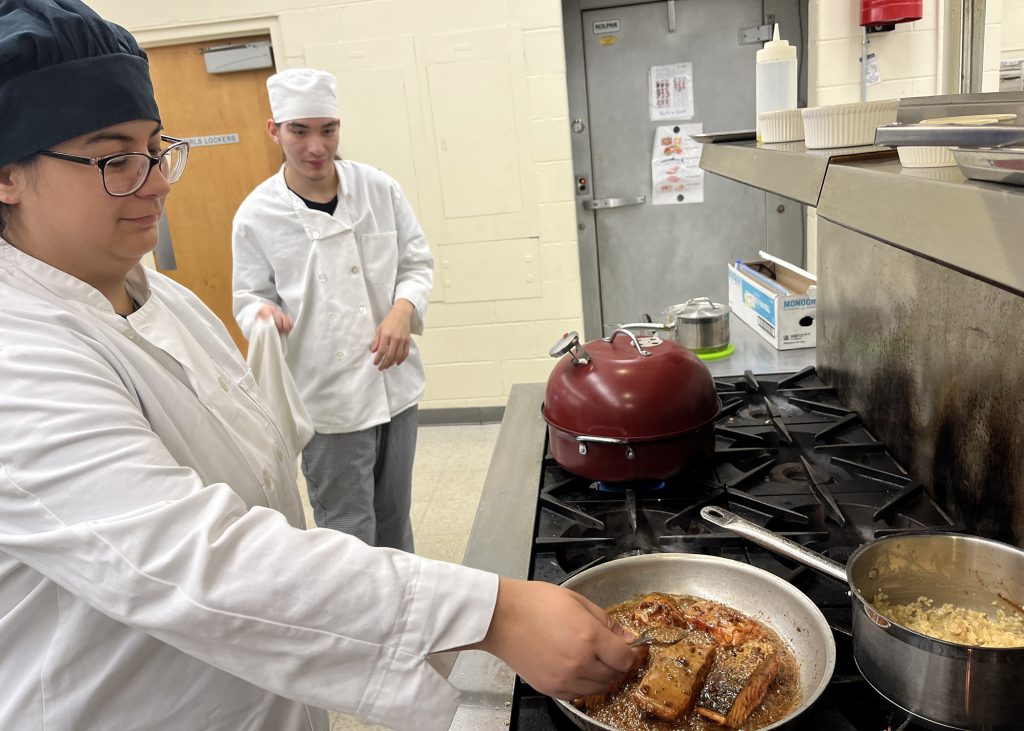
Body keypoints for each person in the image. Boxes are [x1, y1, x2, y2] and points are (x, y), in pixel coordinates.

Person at [0, 1, 641, 730]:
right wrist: (490, 612)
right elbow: (196, 559)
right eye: (115, 158)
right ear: (6, 176)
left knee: (386, 523)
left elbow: (262, 512)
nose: (156, 181)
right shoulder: (16, 359)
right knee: (352, 522)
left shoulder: (159, 295)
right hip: (130, 709)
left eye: (157, 147)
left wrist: (403, 309)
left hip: (261, 685)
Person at [232, 68, 429, 552]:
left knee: (394, 521)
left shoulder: (379, 189)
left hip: (395, 388)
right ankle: (362, 625)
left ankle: (409, 620)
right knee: (349, 532)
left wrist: (403, 308)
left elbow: (416, 261)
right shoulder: (257, 215)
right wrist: (262, 318)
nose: (316, 147)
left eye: (328, 130)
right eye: (300, 131)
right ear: (274, 130)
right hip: (327, 400)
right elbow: (249, 295)